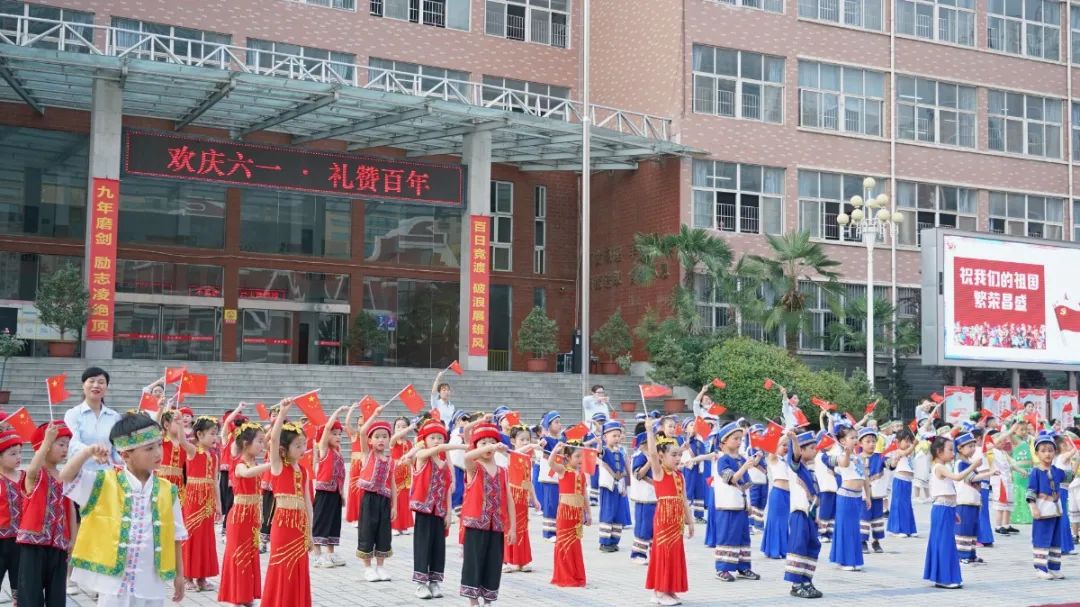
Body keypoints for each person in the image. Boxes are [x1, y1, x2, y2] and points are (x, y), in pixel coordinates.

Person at [61, 412, 188, 607]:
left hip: (151, 580)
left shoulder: (168, 490)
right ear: (125, 454)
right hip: (114, 584)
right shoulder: (104, 482)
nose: (158, 453)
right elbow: (66, 477)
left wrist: (180, 575)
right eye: (149, 448)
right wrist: (86, 452)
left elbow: (176, 535)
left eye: (159, 445)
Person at [262, 399, 312, 607]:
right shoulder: (278, 466)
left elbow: (308, 503)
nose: (302, 449)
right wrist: (282, 413)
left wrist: (310, 531)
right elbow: (273, 441)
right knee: (282, 565)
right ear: (285, 448)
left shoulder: (304, 471)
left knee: (300, 566)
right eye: (298, 445)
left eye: (304, 445)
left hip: (300, 526)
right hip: (283, 524)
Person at [18, 421, 75, 607]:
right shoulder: (36, 475)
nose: (65, 448)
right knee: (30, 595)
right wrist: (47, 440)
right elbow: (32, 469)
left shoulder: (64, 476)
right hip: (33, 545)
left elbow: (70, 511)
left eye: (67, 444)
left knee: (57, 596)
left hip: (59, 544)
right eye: (61, 444)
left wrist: (73, 539)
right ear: (45, 445)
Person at [459, 423, 516, 605]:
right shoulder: (473, 467)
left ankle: (488, 600)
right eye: (483, 443)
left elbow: (509, 500)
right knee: (474, 564)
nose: (488, 446)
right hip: (476, 525)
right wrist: (492, 445)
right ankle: (473, 602)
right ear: (476, 446)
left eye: (492, 441)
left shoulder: (502, 471)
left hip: (496, 525)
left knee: (493, 564)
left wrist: (513, 527)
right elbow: (467, 456)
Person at [218, 421, 269, 607]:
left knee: (250, 554)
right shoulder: (239, 463)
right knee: (238, 554)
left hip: (253, 516)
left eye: (264, 441)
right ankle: (235, 596)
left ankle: (246, 595)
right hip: (239, 516)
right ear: (246, 444)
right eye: (259, 441)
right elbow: (246, 474)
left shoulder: (254, 462)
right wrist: (270, 465)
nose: (262, 445)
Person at [642, 418, 692, 607]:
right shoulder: (659, 471)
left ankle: (667, 589)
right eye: (673, 455)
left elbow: (684, 499)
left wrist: (690, 521)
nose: (678, 458)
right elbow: (652, 454)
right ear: (663, 456)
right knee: (663, 553)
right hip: (664, 518)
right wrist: (649, 431)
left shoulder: (679, 475)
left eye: (679, 454)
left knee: (674, 554)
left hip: (677, 520)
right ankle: (659, 591)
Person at [410, 419, 462, 599]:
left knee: (438, 547)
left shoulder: (444, 462)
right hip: (424, 510)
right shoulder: (422, 455)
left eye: (440, 437)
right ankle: (420, 583)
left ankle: (435, 581)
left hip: (439, 510)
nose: (437, 440)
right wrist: (453, 448)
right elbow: (432, 451)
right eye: (432, 437)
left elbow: (447, 487)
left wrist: (448, 512)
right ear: (424, 439)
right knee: (422, 545)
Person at [707, 421, 762, 582]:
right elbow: (731, 479)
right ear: (724, 441)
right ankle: (722, 568)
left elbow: (746, 485)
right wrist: (745, 466)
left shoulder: (741, 458)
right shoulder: (722, 460)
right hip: (727, 505)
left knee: (743, 537)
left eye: (740, 439)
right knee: (727, 536)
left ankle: (743, 567)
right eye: (735, 439)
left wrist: (749, 504)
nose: (739, 442)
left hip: (740, 505)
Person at [355, 405, 396, 582]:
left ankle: (380, 566)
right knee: (367, 531)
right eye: (377, 437)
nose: (381, 440)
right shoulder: (367, 454)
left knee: (383, 533)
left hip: (384, 501)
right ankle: (367, 568)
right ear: (370, 441)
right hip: (369, 499)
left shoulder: (389, 460)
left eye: (385, 437)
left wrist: (394, 505)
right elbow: (362, 432)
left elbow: (392, 483)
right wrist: (374, 415)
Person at [181, 416, 221, 592]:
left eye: (216, 434)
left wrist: (218, 504)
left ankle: (202, 577)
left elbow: (215, 482)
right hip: (192, 501)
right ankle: (187, 576)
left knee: (206, 539)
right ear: (199, 434)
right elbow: (181, 440)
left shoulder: (214, 456)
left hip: (207, 502)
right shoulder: (192, 450)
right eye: (212, 434)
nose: (215, 437)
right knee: (191, 537)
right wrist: (178, 421)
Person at [785, 429, 824, 599]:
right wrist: (794, 439)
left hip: (810, 514)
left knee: (813, 545)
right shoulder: (796, 467)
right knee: (798, 546)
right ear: (801, 450)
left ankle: (807, 580)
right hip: (799, 513)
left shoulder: (810, 471)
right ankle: (796, 584)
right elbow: (794, 455)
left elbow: (816, 495)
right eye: (812, 448)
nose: (815, 451)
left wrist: (818, 516)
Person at [923, 436, 965, 589]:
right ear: (939, 452)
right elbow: (958, 477)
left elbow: (949, 489)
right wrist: (974, 465)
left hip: (947, 508)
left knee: (947, 542)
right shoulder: (939, 467)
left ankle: (946, 576)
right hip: (941, 509)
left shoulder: (942, 466)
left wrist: (954, 511)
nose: (953, 453)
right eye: (950, 450)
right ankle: (943, 578)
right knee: (943, 542)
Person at [63, 367, 122, 473]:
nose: (96, 385)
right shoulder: (73, 414)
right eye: (91, 381)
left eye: (101, 382)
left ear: (106, 387)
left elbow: (116, 448)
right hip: (79, 474)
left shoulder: (114, 416)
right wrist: (91, 451)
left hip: (107, 475)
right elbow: (72, 444)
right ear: (83, 385)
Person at [549, 441, 589, 587]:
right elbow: (551, 463)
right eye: (577, 456)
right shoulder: (563, 470)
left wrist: (588, 513)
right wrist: (555, 449)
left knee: (575, 544)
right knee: (564, 543)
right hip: (565, 513)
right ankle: (564, 576)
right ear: (567, 457)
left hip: (577, 514)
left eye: (582, 456)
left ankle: (575, 574)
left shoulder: (582, 475)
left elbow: (584, 495)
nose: (580, 459)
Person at [312, 407, 348, 568]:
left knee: (334, 522)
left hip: (335, 493)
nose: (338, 436)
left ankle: (330, 553)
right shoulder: (324, 450)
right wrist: (338, 412)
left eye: (340, 434)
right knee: (321, 521)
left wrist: (342, 494)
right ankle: (317, 554)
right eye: (334, 433)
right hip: (324, 492)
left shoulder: (338, 453)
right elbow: (326, 427)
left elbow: (341, 476)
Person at [1029, 431, 1066, 579]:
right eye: (1043, 450)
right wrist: (1033, 507)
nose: (1047, 454)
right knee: (1042, 539)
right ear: (1037, 453)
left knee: (1056, 540)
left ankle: (1054, 567)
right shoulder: (1036, 472)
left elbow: (1070, 475)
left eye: (1050, 450)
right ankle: (1040, 568)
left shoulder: (1057, 471)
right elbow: (1030, 491)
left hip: (1056, 512)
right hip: (1042, 512)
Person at [828, 426, 866, 572]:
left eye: (856, 437)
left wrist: (867, 495)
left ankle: (854, 559)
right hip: (846, 496)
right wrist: (847, 452)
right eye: (852, 438)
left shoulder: (858, 457)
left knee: (854, 528)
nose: (855, 440)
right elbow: (843, 463)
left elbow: (864, 477)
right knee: (846, 528)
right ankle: (844, 560)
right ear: (843, 441)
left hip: (857, 497)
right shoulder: (843, 455)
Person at [503, 425, 539, 573]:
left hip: (523, 497)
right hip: (511, 496)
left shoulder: (528, 459)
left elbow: (529, 481)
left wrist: (534, 499)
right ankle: (506, 560)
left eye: (527, 439)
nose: (525, 442)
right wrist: (530, 445)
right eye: (522, 439)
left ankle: (522, 561)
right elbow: (516, 452)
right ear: (513, 440)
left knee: (522, 528)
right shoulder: (511, 454)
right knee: (509, 526)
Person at [953, 433, 992, 564]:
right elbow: (971, 478)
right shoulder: (961, 463)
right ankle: (961, 555)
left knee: (972, 528)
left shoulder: (968, 463)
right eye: (970, 446)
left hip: (973, 500)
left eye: (974, 446)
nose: (973, 449)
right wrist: (989, 473)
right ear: (960, 448)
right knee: (964, 529)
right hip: (964, 501)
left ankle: (971, 554)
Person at [597, 420, 632, 553]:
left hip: (619, 486)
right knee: (608, 512)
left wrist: (625, 484)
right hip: (608, 486)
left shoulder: (621, 451)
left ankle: (614, 540)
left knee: (618, 514)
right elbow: (598, 454)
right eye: (614, 436)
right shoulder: (605, 450)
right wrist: (599, 444)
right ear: (605, 437)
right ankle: (605, 542)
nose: (617, 438)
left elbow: (623, 467)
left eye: (618, 435)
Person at [0, 430, 22, 606]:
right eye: (12, 453)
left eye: (20, 452)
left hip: (20, 541)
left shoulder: (25, 477)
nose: (18, 457)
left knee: (20, 584)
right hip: (1, 540)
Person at [629, 429, 657, 564]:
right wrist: (650, 462)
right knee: (643, 527)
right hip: (643, 497)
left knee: (653, 527)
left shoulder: (655, 455)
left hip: (654, 496)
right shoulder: (639, 456)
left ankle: (653, 553)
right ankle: (638, 554)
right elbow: (638, 474)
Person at [858, 427, 887, 554]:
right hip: (863, 495)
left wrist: (894, 460)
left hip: (877, 494)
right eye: (868, 441)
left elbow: (890, 464)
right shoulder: (857, 458)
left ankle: (876, 541)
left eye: (874, 441)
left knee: (877, 518)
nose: (871, 444)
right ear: (860, 443)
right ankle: (862, 541)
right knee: (864, 518)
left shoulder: (880, 457)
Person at [760, 437, 790, 560]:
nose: (785, 448)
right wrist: (785, 434)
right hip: (777, 493)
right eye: (783, 445)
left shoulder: (787, 461)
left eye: (787, 445)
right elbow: (773, 446)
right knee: (776, 522)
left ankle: (783, 549)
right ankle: (773, 550)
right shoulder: (773, 459)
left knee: (784, 522)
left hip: (787, 494)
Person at [886, 428, 918, 537]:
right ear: (898, 442)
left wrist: (913, 444)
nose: (908, 443)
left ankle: (908, 529)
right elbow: (905, 452)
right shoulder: (898, 451)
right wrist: (913, 445)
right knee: (899, 504)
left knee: (907, 505)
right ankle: (897, 529)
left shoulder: (910, 452)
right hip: (899, 480)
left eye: (909, 440)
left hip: (908, 481)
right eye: (906, 440)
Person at [537, 411, 563, 542]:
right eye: (556, 422)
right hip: (550, 476)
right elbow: (545, 453)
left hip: (559, 476)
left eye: (559, 422)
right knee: (550, 504)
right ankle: (548, 533)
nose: (559, 425)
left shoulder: (561, 440)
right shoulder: (546, 440)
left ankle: (556, 530)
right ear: (548, 424)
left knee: (558, 504)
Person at [390, 417, 415, 536]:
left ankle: (403, 525)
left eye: (404, 426)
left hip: (406, 474)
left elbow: (413, 459)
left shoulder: (410, 443)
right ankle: (394, 525)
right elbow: (395, 437)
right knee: (396, 498)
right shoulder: (393, 441)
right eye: (398, 426)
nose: (400, 429)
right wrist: (409, 428)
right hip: (395, 472)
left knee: (405, 499)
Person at [1053, 436, 1077, 556]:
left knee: (1063, 517)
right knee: (1063, 518)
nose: (1068, 445)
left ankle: (1065, 546)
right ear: (1062, 446)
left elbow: (1072, 473)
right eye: (1066, 444)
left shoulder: (1063, 458)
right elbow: (1075, 449)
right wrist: (1073, 439)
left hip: (1063, 490)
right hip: (1060, 490)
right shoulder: (1061, 457)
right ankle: (1063, 546)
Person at [1012, 421, 1035, 525]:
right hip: (1019, 470)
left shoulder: (1026, 440)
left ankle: (1027, 515)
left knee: (1027, 491)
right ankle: (1020, 516)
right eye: (1021, 429)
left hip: (1029, 469)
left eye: (1026, 429)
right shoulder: (1014, 439)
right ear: (1015, 430)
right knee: (1020, 492)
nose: (1024, 431)